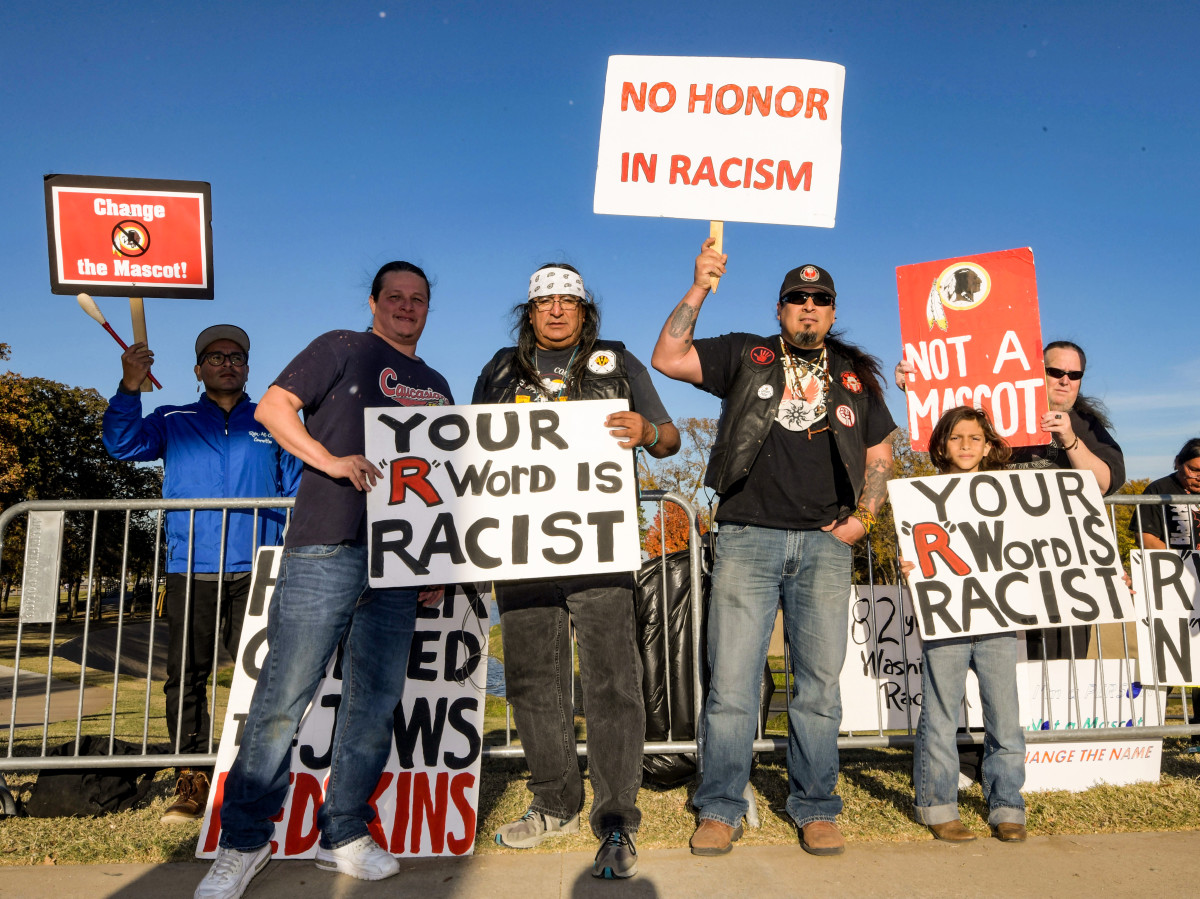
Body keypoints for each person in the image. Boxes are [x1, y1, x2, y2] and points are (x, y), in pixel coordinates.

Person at [194, 262, 452, 899]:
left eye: (418, 299)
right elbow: (275, 407)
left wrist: (437, 560)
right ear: (373, 302)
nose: (406, 306)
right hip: (325, 547)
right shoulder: (341, 346)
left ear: (428, 309)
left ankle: (344, 832)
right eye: (394, 296)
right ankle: (243, 843)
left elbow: (443, 478)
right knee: (283, 699)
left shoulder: (440, 386)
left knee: (373, 707)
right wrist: (331, 461)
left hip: (399, 564)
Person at [652, 241, 896, 857]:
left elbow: (879, 452)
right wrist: (701, 285)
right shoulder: (746, 354)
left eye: (820, 301)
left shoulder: (854, 376)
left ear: (833, 311)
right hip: (746, 537)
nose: (808, 308)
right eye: (797, 299)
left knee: (818, 685)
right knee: (732, 682)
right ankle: (720, 807)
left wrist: (864, 518)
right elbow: (668, 356)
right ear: (781, 308)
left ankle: (815, 806)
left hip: (824, 544)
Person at [473, 263, 680, 881]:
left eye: (569, 302)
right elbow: (469, 448)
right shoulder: (500, 369)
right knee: (535, 681)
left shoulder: (616, 363)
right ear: (529, 314)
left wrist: (646, 430)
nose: (557, 312)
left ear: (586, 311)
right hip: (521, 550)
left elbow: (668, 437)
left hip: (600, 549)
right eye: (545, 304)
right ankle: (555, 802)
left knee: (613, 682)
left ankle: (616, 817)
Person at [102, 325, 300, 825]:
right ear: (197, 370)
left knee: (269, 681)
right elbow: (122, 445)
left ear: (248, 367)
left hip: (262, 568)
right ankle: (191, 777)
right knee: (185, 678)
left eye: (236, 356)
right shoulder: (173, 418)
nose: (226, 362)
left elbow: (300, 483)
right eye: (214, 356)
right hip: (192, 568)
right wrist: (130, 386)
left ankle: (265, 776)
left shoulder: (269, 419)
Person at [897, 340, 1125, 659]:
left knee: (1059, 670)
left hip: (1061, 571)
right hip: (994, 564)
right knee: (996, 670)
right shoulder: (993, 414)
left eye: (1074, 375)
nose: (1065, 380)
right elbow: (950, 448)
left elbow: (1105, 482)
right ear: (1034, 371)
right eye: (1055, 371)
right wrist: (918, 391)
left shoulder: (1086, 425)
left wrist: (1069, 439)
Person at [903, 406, 1027, 844]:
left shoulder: (1010, 495)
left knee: (1004, 716)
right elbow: (921, 550)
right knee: (939, 713)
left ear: (989, 445)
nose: (966, 446)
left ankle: (1008, 805)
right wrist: (909, 563)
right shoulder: (920, 496)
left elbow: (1038, 548)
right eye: (957, 437)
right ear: (941, 444)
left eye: (975, 438)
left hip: (996, 619)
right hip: (948, 617)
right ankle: (938, 806)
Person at [1130, 438, 1200, 552]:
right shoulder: (1158, 489)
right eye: (1193, 470)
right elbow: (1145, 538)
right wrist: (1181, 562)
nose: (1198, 478)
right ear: (1178, 463)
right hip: (1175, 566)